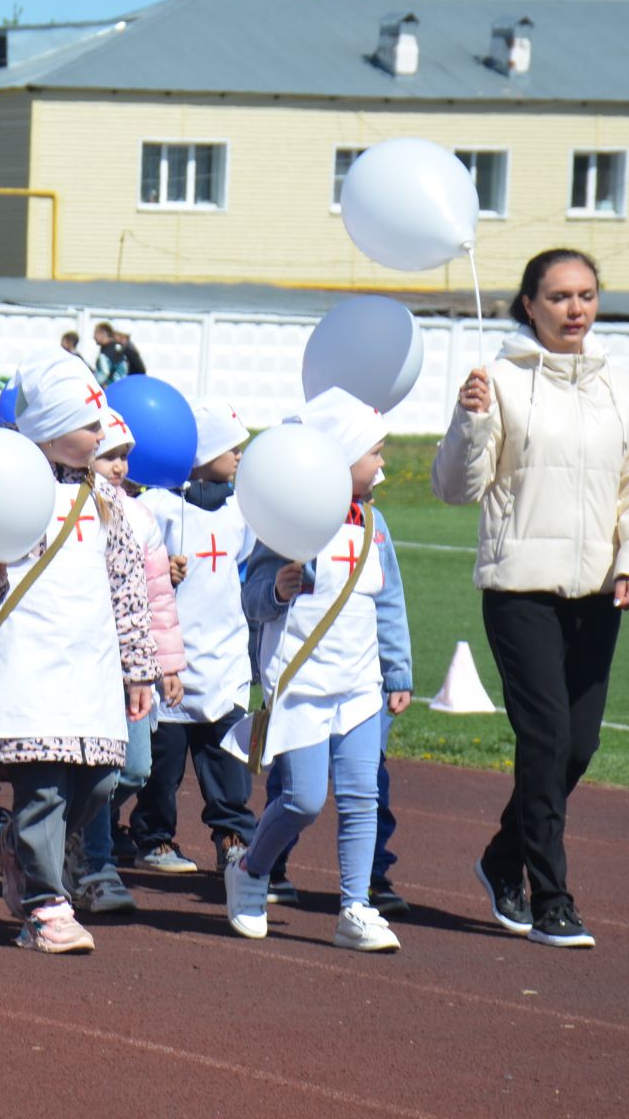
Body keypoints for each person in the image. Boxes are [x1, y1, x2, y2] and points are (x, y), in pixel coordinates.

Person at [433, 249, 629, 949]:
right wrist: (470, 420)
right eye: (561, 296)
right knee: (545, 739)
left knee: (579, 745)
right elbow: (456, 488)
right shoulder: (496, 380)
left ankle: (501, 857)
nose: (576, 309)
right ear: (529, 304)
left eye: (587, 295)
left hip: (600, 591)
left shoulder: (625, 390)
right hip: (519, 588)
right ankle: (552, 897)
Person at [0, 349, 158, 954]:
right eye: (89, 424)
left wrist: (138, 668)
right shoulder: (2, 486)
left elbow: (128, 589)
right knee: (44, 792)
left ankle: (11, 847)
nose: (102, 434)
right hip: (24, 672)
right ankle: (45, 906)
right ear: (52, 432)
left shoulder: (108, 504)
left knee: (103, 784)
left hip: (89, 670)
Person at [226, 389, 411, 952]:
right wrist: (276, 591)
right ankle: (252, 870)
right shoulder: (286, 521)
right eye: (374, 452)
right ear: (341, 455)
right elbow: (251, 600)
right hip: (301, 683)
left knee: (361, 796)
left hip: (359, 685)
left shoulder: (374, 525)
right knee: (304, 799)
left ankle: (355, 906)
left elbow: (389, 601)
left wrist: (396, 671)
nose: (383, 462)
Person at [131, 399, 257, 873]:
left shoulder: (242, 508)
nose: (240, 456)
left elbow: (241, 561)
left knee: (227, 755)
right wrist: (163, 572)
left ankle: (232, 836)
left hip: (224, 651)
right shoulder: (157, 506)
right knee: (163, 764)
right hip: (172, 656)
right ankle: (153, 836)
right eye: (232, 448)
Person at [72, 406, 186, 914]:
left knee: (135, 770)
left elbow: (158, 597)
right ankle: (98, 867)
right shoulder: (72, 510)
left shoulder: (141, 517)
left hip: (135, 667)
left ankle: (67, 828)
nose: (119, 466)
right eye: (109, 456)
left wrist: (167, 664)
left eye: (124, 457)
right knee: (100, 768)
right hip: (89, 663)